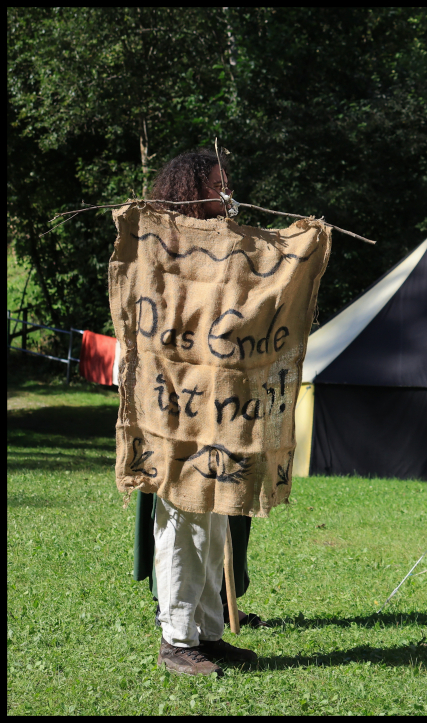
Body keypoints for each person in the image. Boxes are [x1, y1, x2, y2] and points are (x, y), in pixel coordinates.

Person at [133, 148, 260, 676]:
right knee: (182, 518)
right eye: (217, 184)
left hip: (217, 404)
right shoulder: (166, 246)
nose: (226, 193)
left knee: (214, 517)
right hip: (173, 406)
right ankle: (177, 639)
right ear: (191, 189)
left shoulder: (223, 247)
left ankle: (207, 631)